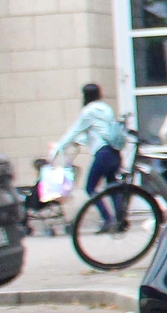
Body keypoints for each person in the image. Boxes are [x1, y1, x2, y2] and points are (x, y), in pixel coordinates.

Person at [50, 81, 130, 231]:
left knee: (90, 188)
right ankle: (120, 221)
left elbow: (75, 130)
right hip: (114, 153)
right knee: (112, 186)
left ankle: (108, 219)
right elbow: (97, 131)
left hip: (102, 154)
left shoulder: (88, 111)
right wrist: (81, 140)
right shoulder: (106, 109)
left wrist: (59, 147)